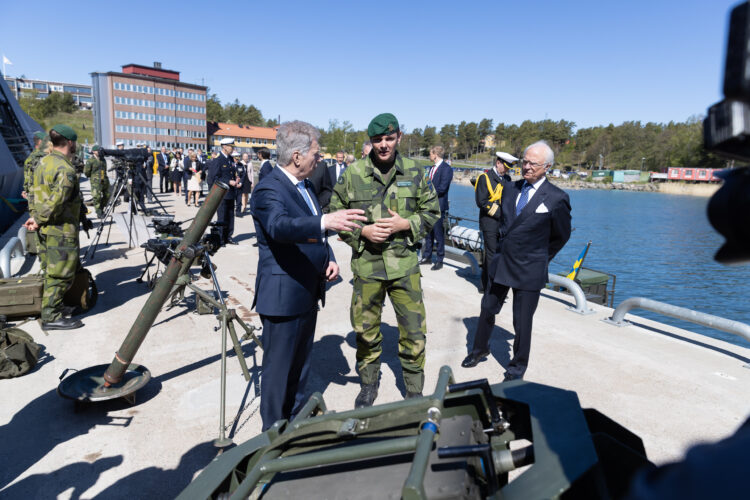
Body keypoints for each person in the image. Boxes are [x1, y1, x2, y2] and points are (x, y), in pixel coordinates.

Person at [250, 120, 366, 430]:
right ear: (298, 156)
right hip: (283, 296)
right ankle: (272, 437)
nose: (320, 159)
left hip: (307, 290)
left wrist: (328, 256)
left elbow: (314, 230)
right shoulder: (269, 188)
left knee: (300, 367)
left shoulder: (306, 187)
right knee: (278, 373)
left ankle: (297, 425)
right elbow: (279, 227)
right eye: (317, 153)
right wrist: (326, 221)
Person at [330, 113, 440, 407]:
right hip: (368, 268)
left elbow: (432, 213)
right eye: (377, 140)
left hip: (405, 267)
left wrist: (407, 225)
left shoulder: (416, 172)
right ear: (371, 141)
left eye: (389, 139)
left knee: (415, 332)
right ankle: (368, 384)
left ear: (399, 138)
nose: (383, 145)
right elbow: (336, 214)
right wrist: (362, 231)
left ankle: (414, 389)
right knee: (365, 332)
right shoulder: (353, 174)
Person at [461, 141, 571, 380]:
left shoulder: (556, 198)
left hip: (529, 268)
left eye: (533, 163)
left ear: (547, 166)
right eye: (525, 161)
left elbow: (561, 235)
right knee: (487, 308)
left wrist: (541, 256)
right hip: (502, 262)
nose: (526, 166)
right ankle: (480, 349)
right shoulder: (511, 188)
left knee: (521, 322)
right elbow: (503, 222)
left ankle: (516, 368)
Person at [26, 125, 90, 330]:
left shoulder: (43, 162)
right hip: (60, 230)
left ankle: (55, 307)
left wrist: (34, 218)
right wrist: (39, 219)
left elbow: (32, 193)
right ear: (70, 143)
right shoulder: (66, 169)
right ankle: (51, 317)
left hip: (44, 230)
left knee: (50, 271)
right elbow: (57, 201)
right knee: (60, 275)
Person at [475, 151, 517, 291]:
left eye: (508, 168)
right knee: (491, 254)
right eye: (505, 167)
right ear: (498, 163)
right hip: (489, 222)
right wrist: (500, 213)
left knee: (500, 254)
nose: (506, 170)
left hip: (503, 224)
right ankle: (491, 287)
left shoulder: (508, 180)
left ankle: (485, 282)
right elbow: (481, 201)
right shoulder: (485, 178)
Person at [419, 146, 453, 270]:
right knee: (428, 233)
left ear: (435, 154)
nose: (429, 156)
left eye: (430, 154)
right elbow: (427, 183)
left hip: (438, 205)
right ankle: (427, 257)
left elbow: (442, 188)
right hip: (428, 205)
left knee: (438, 234)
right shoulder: (431, 168)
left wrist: (427, 193)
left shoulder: (446, 169)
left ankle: (439, 260)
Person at [206, 138, 238, 245]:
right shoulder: (218, 160)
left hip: (231, 192)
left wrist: (236, 179)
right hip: (222, 193)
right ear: (224, 147)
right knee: (222, 215)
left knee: (230, 215)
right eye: (231, 146)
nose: (232, 148)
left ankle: (228, 236)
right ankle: (220, 238)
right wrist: (228, 181)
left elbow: (232, 173)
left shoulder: (230, 159)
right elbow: (213, 178)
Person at [83, 145, 110, 218]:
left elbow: (105, 169)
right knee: (96, 197)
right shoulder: (90, 161)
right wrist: (94, 177)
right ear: (94, 152)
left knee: (107, 196)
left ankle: (101, 208)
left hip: (104, 180)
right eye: (98, 150)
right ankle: (99, 212)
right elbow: (86, 172)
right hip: (96, 182)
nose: (100, 152)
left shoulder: (103, 159)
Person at [22, 131, 47, 201]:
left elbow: (27, 178)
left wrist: (26, 190)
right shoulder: (45, 156)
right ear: (40, 142)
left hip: (35, 195)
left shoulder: (31, 157)